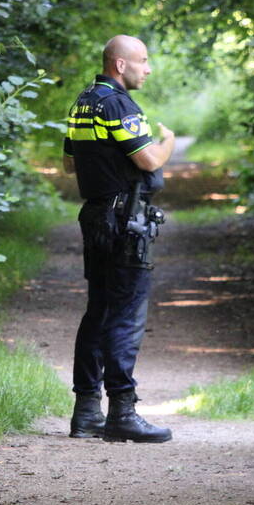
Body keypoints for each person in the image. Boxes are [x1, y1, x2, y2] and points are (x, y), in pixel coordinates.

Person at [61, 34, 176, 443]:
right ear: (121, 65)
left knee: (99, 311)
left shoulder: (82, 102)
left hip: (94, 215)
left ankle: (86, 412)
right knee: (126, 314)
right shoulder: (119, 104)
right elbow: (146, 159)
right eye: (143, 60)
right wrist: (168, 143)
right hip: (125, 219)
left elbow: (69, 162)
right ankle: (122, 412)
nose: (148, 68)